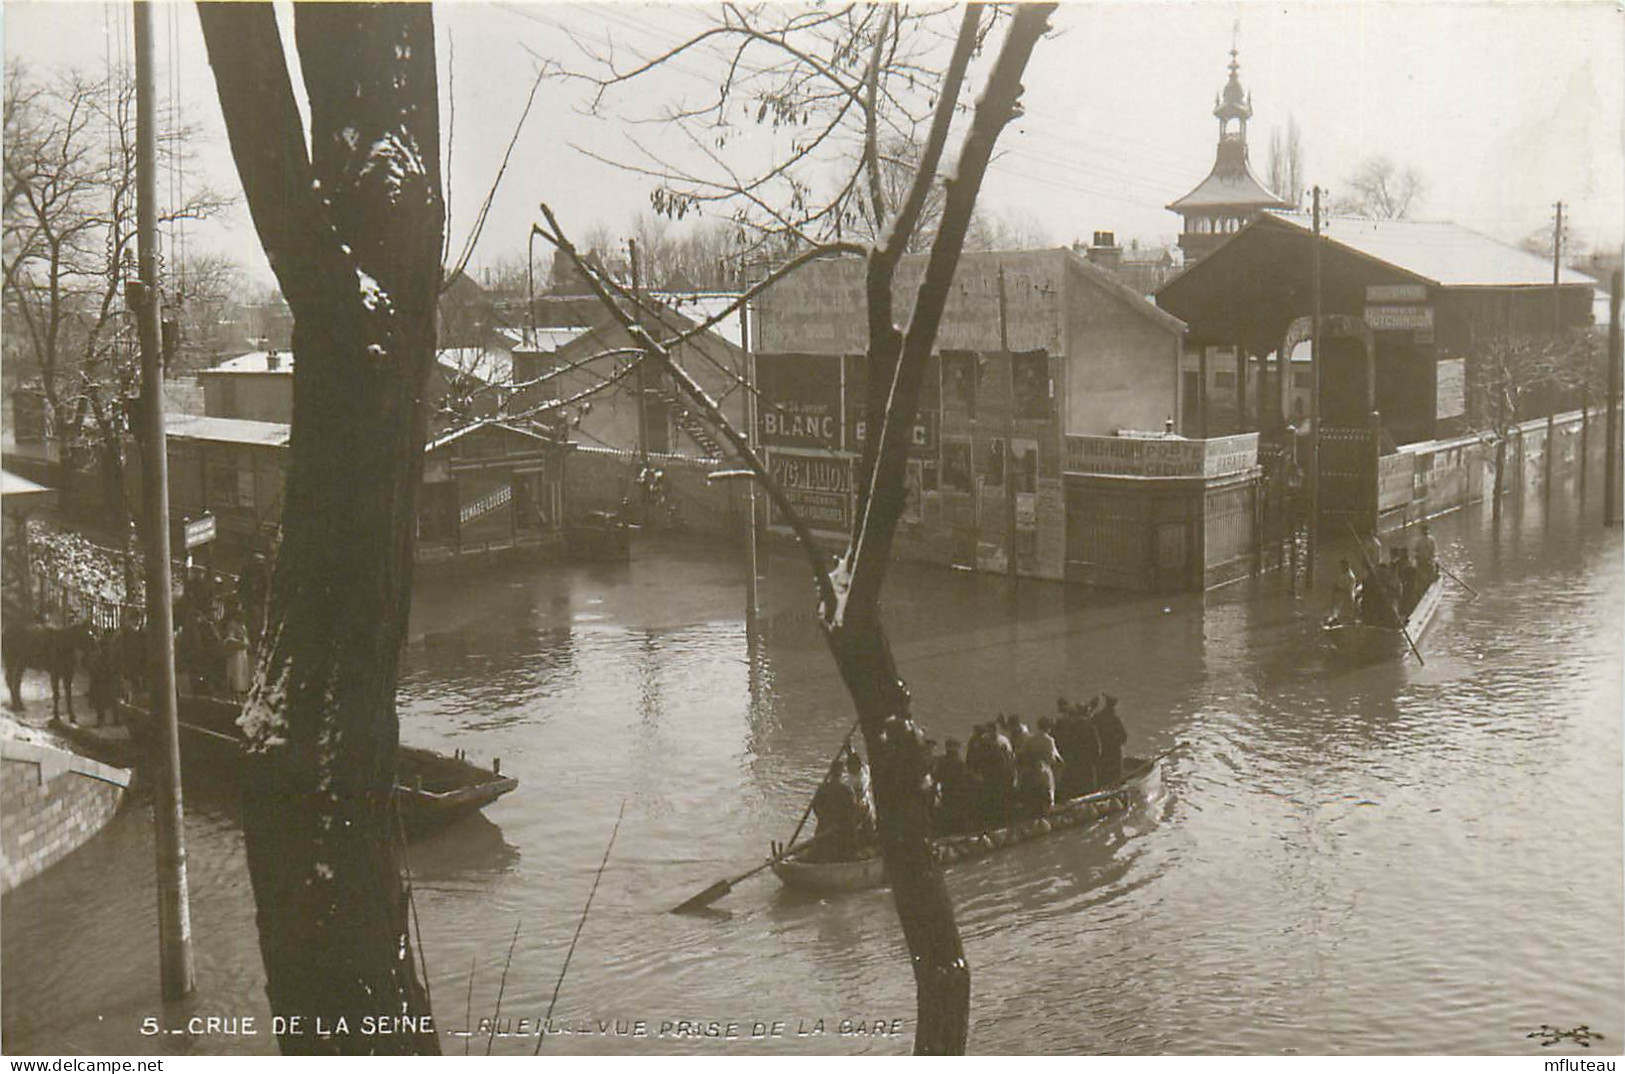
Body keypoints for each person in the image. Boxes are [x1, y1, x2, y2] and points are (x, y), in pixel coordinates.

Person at [811, 758, 858, 862]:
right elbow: (853, 811)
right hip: (840, 830)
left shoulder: (822, 788)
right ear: (841, 774)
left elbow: (816, 807)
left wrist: (823, 818)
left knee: (821, 850)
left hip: (824, 827)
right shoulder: (846, 790)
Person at [932, 737, 974, 835]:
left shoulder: (941, 760)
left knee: (949, 811)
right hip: (958, 791)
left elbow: (937, 775)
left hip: (947, 791)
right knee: (960, 811)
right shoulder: (958, 762)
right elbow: (966, 776)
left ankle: (949, 829)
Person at [222, 612, 251, 699]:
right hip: (235, 655)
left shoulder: (242, 626)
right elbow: (229, 640)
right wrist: (242, 644)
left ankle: (240, 695)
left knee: (242, 676)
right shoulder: (232, 624)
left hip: (242, 655)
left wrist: (246, 644)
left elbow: (246, 640)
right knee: (235, 675)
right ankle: (234, 695)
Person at [1328, 557, 1360, 626]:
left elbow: (1344, 587)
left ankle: (1345, 623)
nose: (1341, 568)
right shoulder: (1345, 574)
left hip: (1347, 597)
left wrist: (1336, 588)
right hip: (1342, 597)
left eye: (1342, 566)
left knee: (1345, 613)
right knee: (1340, 612)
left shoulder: (1349, 576)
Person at [1413, 523, 1437, 587]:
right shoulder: (1419, 540)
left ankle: (1429, 583)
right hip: (1422, 560)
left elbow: (1433, 550)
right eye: (1423, 530)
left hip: (1429, 560)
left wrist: (1430, 557)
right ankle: (1424, 583)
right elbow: (1416, 550)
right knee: (1422, 573)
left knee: (1430, 571)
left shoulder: (1431, 539)